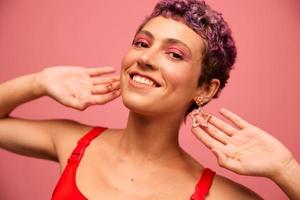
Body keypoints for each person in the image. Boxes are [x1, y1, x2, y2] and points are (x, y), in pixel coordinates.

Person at [0, 0, 299, 199]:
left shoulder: (219, 195)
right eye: (142, 43)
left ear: (205, 90)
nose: (146, 58)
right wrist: (38, 82)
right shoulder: (73, 143)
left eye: (174, 54)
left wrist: (286, 169)